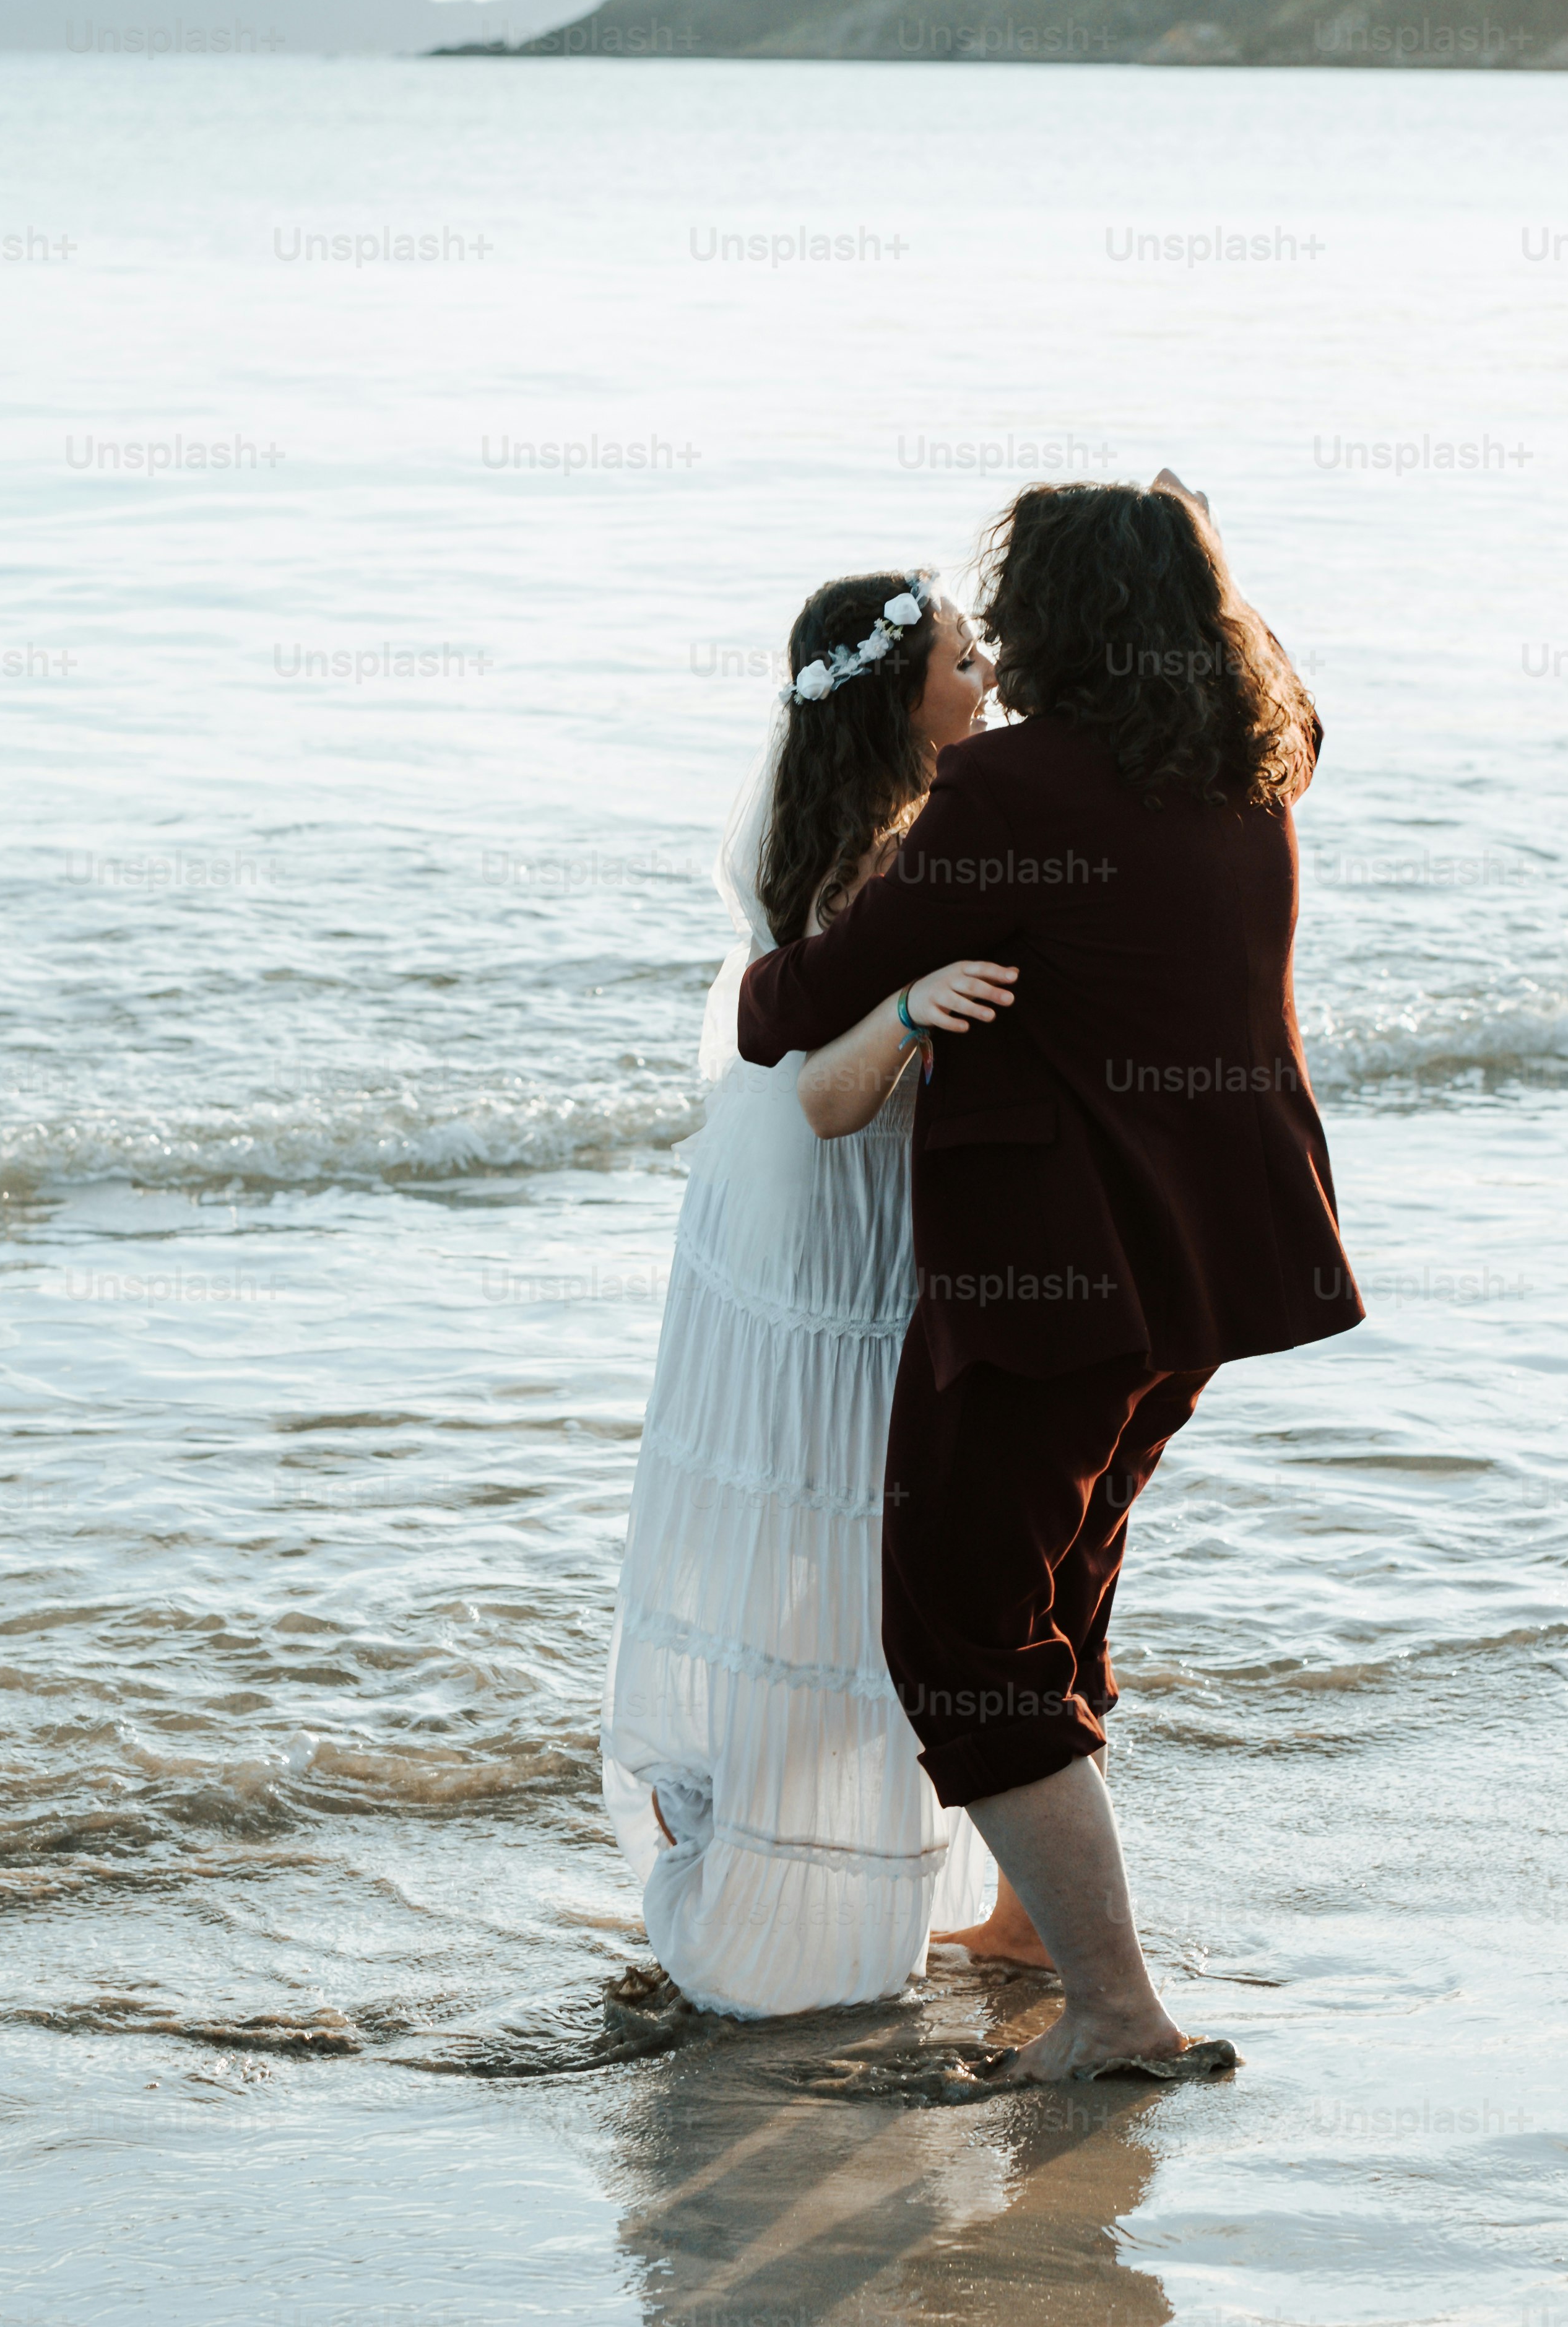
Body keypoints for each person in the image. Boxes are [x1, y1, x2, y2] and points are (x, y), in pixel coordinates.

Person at [734, 473, 1362, 2084]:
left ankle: (1119, 2011)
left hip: (1057, 1282)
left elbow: (792, 1004)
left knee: (956, 1626)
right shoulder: (1248, 771)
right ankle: (1037, 1939)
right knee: (1061, 1585)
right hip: (1208, 1274)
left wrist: (771, 974)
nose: (995, 637)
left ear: (1061, 619)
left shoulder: (1016, 794)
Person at [598, 566, 1029, 2015]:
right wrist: (915, 1011)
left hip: (819, 1196)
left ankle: (856, 1857)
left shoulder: (888, 830)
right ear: (902, 703)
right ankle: (790, 1875)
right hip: (829, 1216)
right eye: (967, 664)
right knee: (829, 1526)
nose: (990, 683)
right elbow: (841, 1086)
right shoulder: (877, 867)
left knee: (836, 1529)